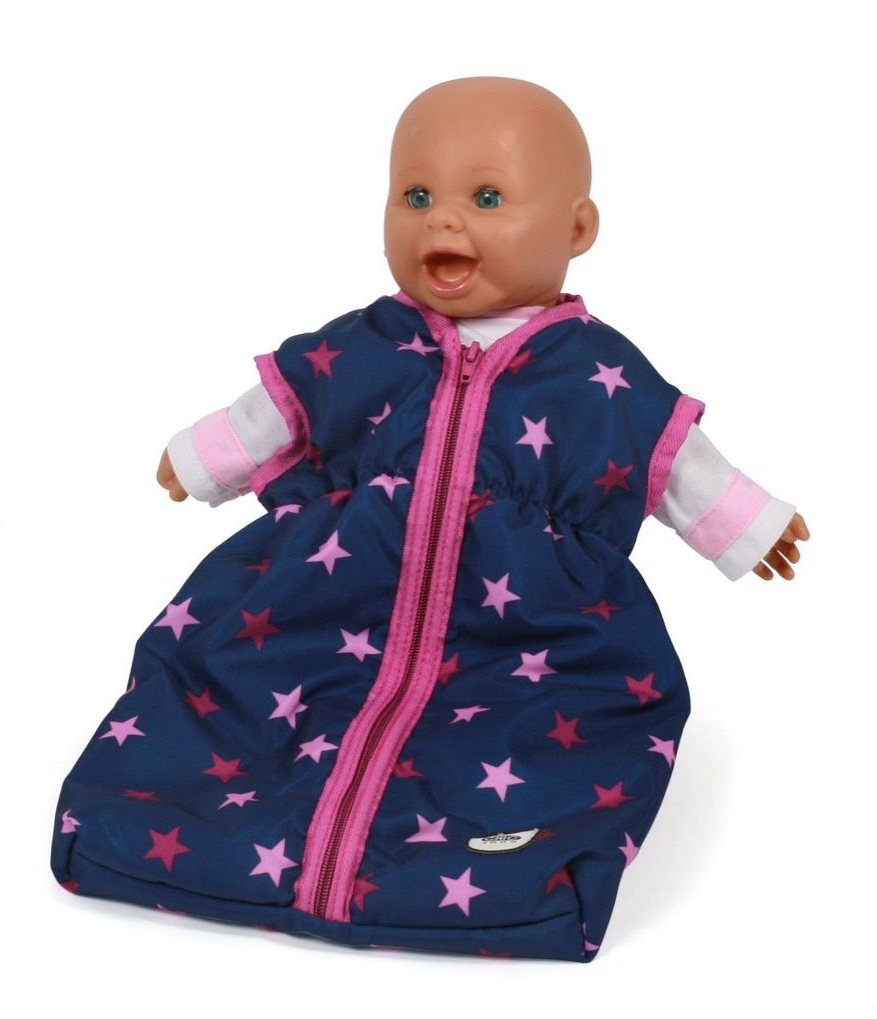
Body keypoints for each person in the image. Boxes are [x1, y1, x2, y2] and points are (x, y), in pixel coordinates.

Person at [52, 77, 808, 961]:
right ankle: (165, 831)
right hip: (308, 615)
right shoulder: (363, 344)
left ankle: (505, 880)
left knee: (544, 758)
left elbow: (674, 459)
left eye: (486, 198)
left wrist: (750, 522)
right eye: (416, 196)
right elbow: (279, 411)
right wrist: (202, 454)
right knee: (223, 703)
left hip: (533, 647)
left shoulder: (600, 377)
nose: (442, 219)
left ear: (577, 231)